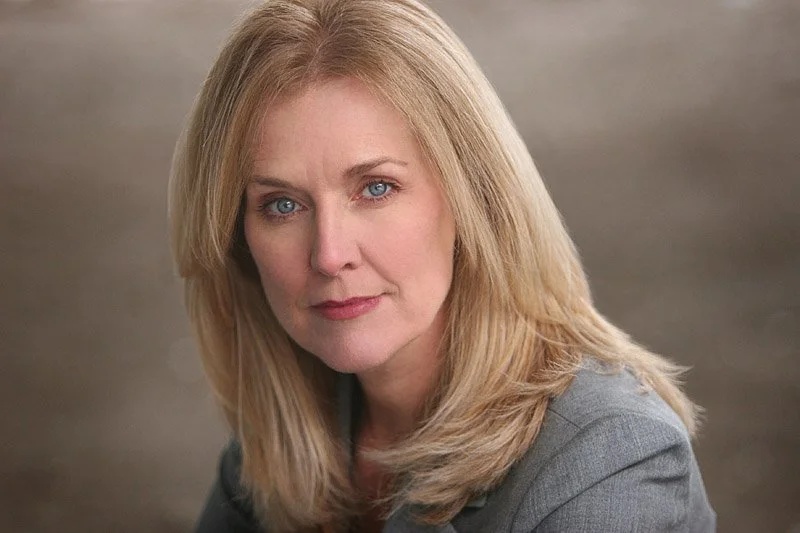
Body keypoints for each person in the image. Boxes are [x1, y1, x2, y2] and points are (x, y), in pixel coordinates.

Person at [169, 0, 716, 531]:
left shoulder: (606, 461)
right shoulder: (282, 438)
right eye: (282, 205)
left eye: (376, 188)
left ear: (470, 196)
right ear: (238, 237)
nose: (330, 254)